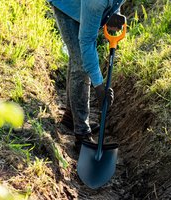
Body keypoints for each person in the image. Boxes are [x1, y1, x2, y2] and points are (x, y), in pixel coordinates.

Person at [48, 0, 125, 150]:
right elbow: (87, 41)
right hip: (67, 6)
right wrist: (99, 85)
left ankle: (71, 116)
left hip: (86, 4)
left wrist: (115, 13)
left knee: (78, 58)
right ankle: (82, 133)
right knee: (81, 64)